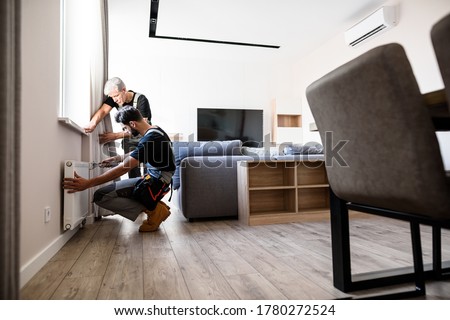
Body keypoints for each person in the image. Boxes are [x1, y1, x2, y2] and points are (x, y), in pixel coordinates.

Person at [65, 106, 175, 232]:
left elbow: (124, 169)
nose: (126, 131)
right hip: (155, 178)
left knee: (100, 196)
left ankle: (155, 210)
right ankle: (154, 206)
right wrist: (116, 158)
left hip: (157, 182)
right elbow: (138, 153)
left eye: (125, 128)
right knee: (112, 192)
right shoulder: (155, 130)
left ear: (132, 124)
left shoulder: (149, 139)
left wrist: (88, 183)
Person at [84, 77, 152, 178]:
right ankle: (134, 191)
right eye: (112, 97)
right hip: (129, 140)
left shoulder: (141, 100)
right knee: (131, 169)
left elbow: (140, 127)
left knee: (148, 171)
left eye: (116, 96)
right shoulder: (114, 98)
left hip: (144, 138)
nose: (115, 99)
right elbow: (103, 111)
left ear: (124, 90)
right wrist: (93, 123)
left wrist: (115, 136)